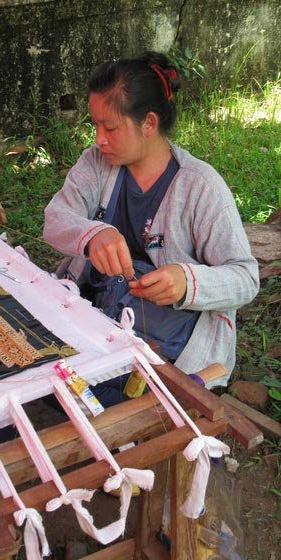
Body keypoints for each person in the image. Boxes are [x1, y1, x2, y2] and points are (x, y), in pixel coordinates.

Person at [43, 51, 259, 406]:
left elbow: (245, 279)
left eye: (110, 127)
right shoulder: (95, 164)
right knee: (45, 381)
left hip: (168, 345)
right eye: (94, 125)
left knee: (104, 405)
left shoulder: (200, 186)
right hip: (100, 322)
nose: (99, 139)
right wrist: (93, 233)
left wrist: (187, 281)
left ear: (148, 123)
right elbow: (56, 218)